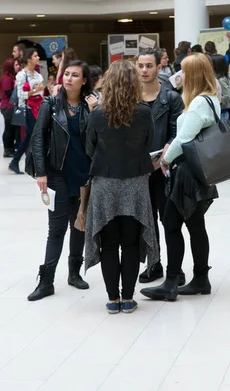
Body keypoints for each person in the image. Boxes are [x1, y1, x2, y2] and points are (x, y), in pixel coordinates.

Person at [141, 53, 221, 301]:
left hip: (186, 173)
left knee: (172, 224)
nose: (180, 76)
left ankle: (172, 281)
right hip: (199, 172)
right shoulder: (210, 99)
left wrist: (164, 159)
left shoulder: (198, 103)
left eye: (185, 71)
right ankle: (200, 279)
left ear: (194, 75)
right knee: (196, 226)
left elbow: (183, 139)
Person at [85, 60, 158, 314]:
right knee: (130, 243)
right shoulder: (145, 112)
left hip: (105, 184)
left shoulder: (97, 114)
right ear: (135, 83)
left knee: (108, 244)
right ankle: (128, 298)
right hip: (136, 183)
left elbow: (89, 148)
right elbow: (149, 144)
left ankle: (112, 299)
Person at [27, 61, 98, 301]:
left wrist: (97, 111)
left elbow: (100, 139)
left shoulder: (91, 106)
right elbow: (38, 138)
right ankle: (46, 281)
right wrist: (41, 172)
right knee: (56, 230)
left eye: (75, 75)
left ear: (84, 80)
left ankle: (74, 274)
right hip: (57, 174)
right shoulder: (50, 104)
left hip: (84, 175)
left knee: (79, 226)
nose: (68, 78)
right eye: (66, 74)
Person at [135, 48, 184, 284]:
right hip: (137, 170)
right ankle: (154, 264)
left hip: (165, 169)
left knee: (169, 220)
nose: (144, 70)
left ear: (158, 67)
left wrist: (165, 152)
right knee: (146, 220)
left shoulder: (171, 98)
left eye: (149, 66)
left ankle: (176, 270)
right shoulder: (131, 97)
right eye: (141, 66)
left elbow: (178, 133)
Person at [8, 49, 44, 175]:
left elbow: (41, 93)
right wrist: (34, 91)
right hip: (28, 109)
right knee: (31, 136)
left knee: (33, 136)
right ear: (29, 58)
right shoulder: (22, 75)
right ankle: (17, 160)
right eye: (35, 56)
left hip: (38, 109)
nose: (38, 58)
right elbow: (21, 95)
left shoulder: (39, 75)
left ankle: (18, 161)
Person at [0, 58, 19, 158]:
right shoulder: (6, 78)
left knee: (12, 128)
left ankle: (11, 148)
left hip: (10, 106)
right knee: (9, 129)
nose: (18, 67)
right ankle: (7, 150)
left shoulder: (12, 77)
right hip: (7, 106)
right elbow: (8, 93)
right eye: (15, 65)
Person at [209, 54, 230, 119]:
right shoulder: (215, 78)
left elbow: (227, 96)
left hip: (222, 113)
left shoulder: (221, 80)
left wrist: (217, 101)